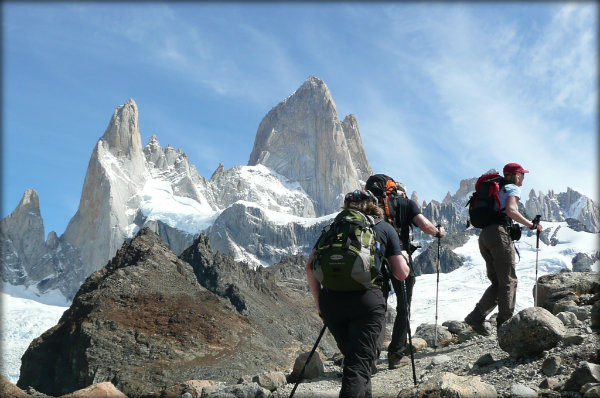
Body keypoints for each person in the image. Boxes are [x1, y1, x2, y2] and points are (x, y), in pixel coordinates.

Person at [306, 189, 410, 398]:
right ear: (374, 205)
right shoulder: (383, 227)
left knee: (356, 362)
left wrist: (319, 304)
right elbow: (400, 274)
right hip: (366, 302)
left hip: (331, 304)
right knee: (358, 367)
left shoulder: (331, 229)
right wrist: (405, 257)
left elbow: (310, 267)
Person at [374, 180, 446, 369]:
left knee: (376, 306)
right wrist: (438, 232)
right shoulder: (406, 203)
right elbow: (424, 225)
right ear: (402, 192)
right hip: (400, 258)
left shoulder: (373, 204)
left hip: (374, 260)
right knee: (403, 305)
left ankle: (369, 357)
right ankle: (396, 355)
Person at [464, 163, 543, 336]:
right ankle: (505, 326)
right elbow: (511, 210)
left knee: (498, 282)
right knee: (509, 281)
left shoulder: (497, 188)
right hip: (499, 235)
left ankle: (476, 317)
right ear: (515, 175)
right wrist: (531, 225)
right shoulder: (512, 188)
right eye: (522, 173)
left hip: (485, 235)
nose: (523, 177)